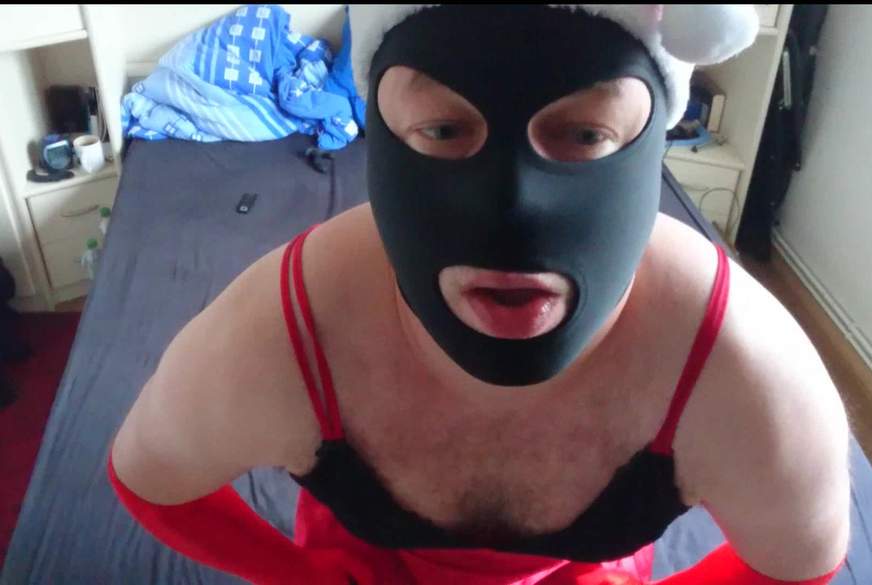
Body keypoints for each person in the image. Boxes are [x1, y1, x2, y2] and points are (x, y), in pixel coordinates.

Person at [108, 5, 850, 585]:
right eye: (442, 128)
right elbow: (150, 478)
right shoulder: (282, 333)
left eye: (584, 134)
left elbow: (798, 563)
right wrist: (302, 576)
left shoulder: (739, 362)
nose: (512, 208)